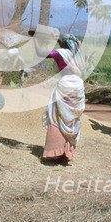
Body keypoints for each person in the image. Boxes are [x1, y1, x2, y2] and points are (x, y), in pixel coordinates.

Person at [34, 29, 86, 164]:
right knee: (72, 119)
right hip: (78, 88)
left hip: (65, 86)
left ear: (62, 43)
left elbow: (41, 53)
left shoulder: (60, 53)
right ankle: (66, 152)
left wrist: (35, 39)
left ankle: (54, 152)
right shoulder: (79, 55)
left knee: (57, 117)